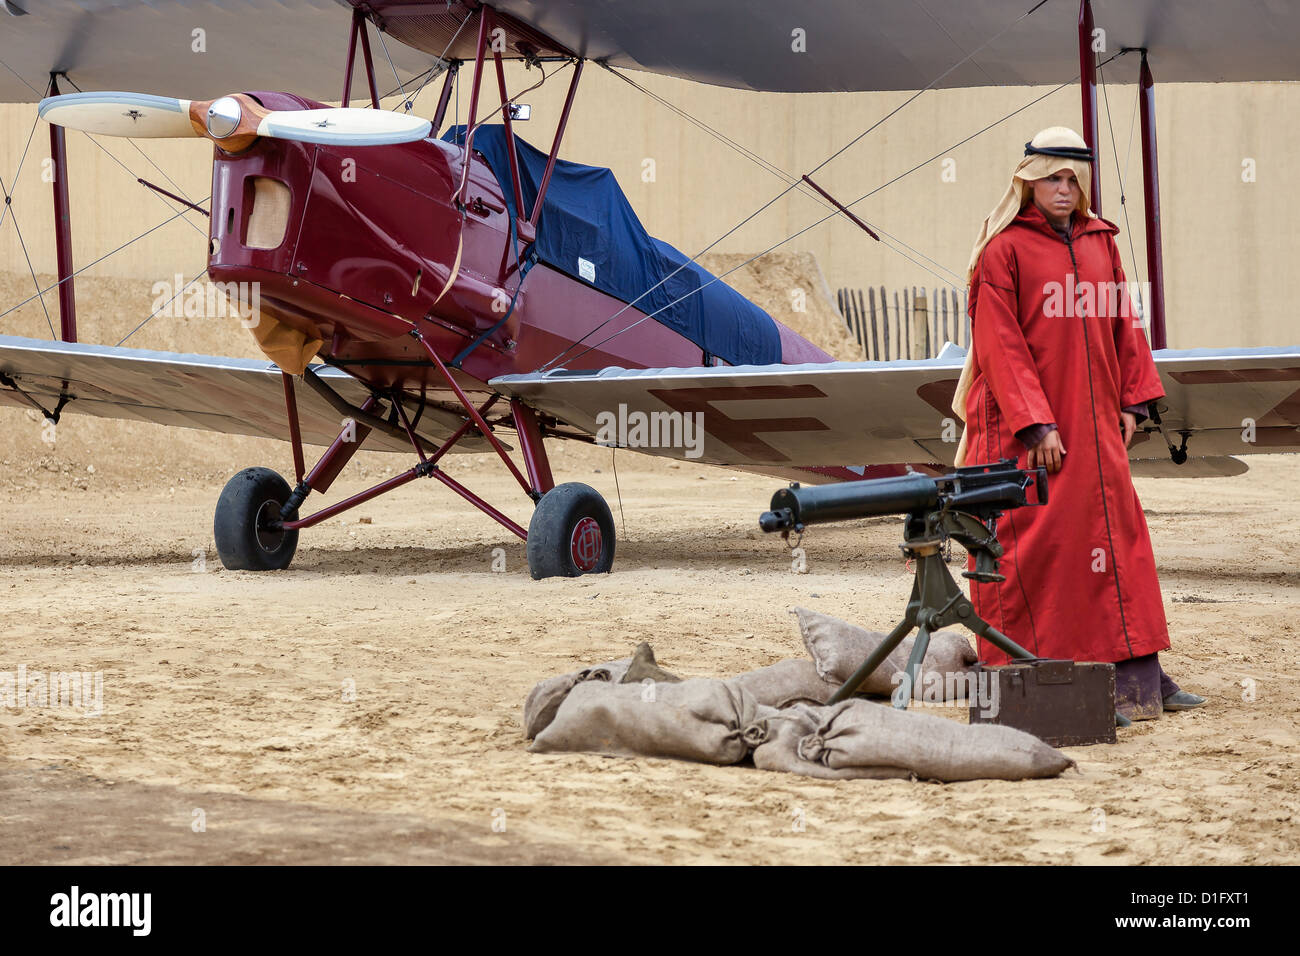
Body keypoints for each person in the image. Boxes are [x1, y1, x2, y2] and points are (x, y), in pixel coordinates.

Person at [950, 126, 1204, 720]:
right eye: (1051, 178)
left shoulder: (1101, 243)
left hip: (1096, 425)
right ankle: (1045, 680)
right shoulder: (1002, 250)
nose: (1063, 189)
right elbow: (999, 343)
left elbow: (1124, 324)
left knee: (1117, 538)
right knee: (1039, 545)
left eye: (1072, 178)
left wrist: (1134, 400)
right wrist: (1035, 424)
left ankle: (1138, 676)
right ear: (1027, 182)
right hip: (1033, 430)